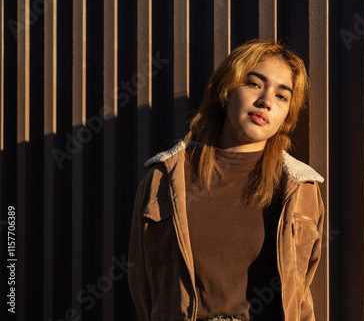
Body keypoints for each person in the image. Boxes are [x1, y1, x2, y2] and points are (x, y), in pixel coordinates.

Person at [128, 40, 325, 321]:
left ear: (287, 117)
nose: (266, 101)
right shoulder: (164, 178)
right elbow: (142, 283)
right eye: (255, 84)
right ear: (227, 89)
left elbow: (300, 296)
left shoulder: (299, 188)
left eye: (282, 96)